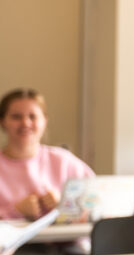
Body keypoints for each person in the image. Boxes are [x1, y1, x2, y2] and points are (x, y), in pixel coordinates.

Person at [0, 88, 94, 221]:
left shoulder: (64, 161)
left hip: (67, 241)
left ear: (44, 120)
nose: (25, 123)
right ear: (3, 121)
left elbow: (97, 206)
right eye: (16, 117)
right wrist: (15, 212)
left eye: (32, 116)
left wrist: (65, 206)